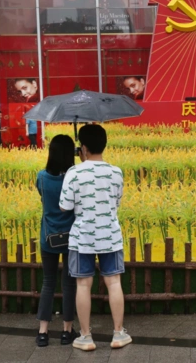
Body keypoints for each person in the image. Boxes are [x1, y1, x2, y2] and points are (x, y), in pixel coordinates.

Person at [59, 124, 131, 352]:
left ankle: (86, 336)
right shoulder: (116, 172)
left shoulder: (74, 172)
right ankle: (119, 333)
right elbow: (116, 203)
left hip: (82, 237)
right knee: (114, 283)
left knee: (83, 285)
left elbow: (65, 206)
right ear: (104, 144)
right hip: (110, 234)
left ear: (83, 147)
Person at [36, 134, 78, 347]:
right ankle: (66, 331)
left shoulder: (41, 177)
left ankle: (43, 332)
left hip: (48, 237)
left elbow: (43, 198)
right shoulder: (74, 177)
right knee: (69, 284)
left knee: (48, 282)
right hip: (71, 237)